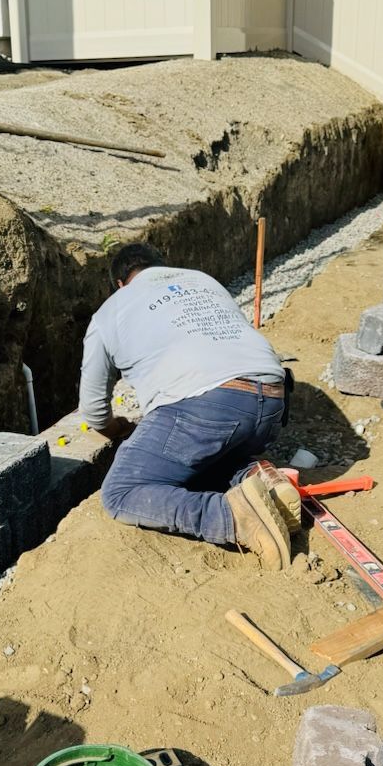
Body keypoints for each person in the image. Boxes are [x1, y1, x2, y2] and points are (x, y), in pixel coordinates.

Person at [77, 242, 300, 569]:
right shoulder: (202, 281)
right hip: (271, 403)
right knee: (201, 454)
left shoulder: (111, 309)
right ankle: (259, 475)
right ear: (163, 266)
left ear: (121, 283)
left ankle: (236, 517)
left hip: (210, 406)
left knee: (121, 492)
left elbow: (93, 410)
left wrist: (118, 430)